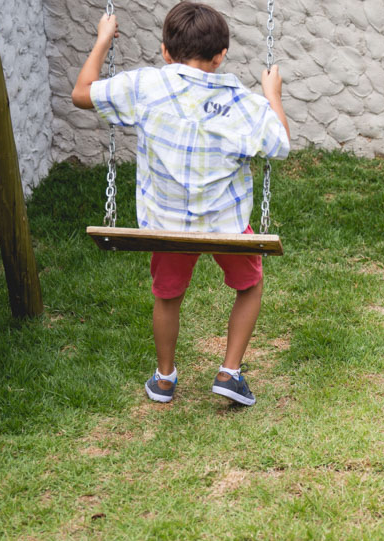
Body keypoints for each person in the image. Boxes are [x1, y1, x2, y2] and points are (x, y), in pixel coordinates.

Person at [71, 2, 290, 406]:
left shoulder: (146, 86)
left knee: (167, 297)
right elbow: (279, 143)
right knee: (251, 286)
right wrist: (272, 95)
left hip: (166, 225)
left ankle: (166, 378)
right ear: (221, 55)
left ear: (165, 52)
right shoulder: (243, 102)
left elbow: (81, 94)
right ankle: (230, 372)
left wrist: (103, 41)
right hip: (227, 226)